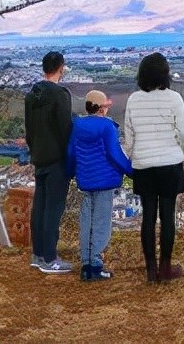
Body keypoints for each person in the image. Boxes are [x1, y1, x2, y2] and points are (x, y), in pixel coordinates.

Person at [121, 52, 184, 283]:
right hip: (170, 163)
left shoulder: (133, 99)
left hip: (144, 164)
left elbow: (129, 137)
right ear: (165, 74)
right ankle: (165, 268)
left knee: (148, 216)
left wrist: (133, 156)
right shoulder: (174, 98)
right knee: (168, 216)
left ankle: (150, 270)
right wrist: (173, 139)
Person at [66, 89, 132, 281]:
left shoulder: (76, 126)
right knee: (102, 222)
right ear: (101, 109)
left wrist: (71, 173)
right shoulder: (107, 127)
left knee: (87, 221)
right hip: (105, 180)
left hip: (85, 180)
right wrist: (130, 171)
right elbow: (114, 154)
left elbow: (71, 153)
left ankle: (86, 263)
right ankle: (96, 264)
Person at [24, 51, 74, 274]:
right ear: (61, 68)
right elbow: (65, 129)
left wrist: (34, 150)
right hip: (56, 158)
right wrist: (70, 157)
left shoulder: (32, 94)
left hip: (39, 156)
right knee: (54, 208)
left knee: (40, 207)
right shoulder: (60, 94)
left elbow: (29, 130)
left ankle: (38, 254)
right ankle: (50, 258)